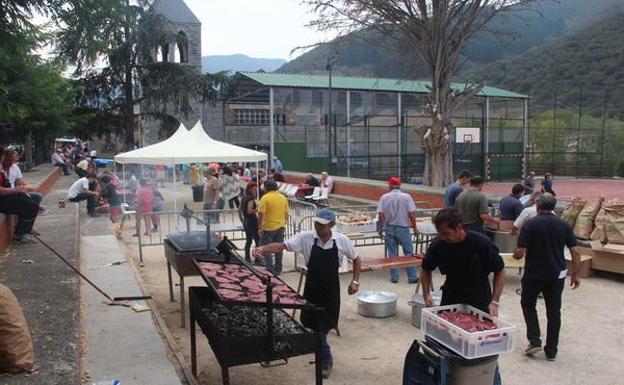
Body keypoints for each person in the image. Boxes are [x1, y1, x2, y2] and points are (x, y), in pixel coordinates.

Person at [252, 208, 361, 379]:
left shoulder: (341, 241)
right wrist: (263, 247)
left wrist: (355, 281)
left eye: (322, 225)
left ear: (332, 225)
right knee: (315, 325)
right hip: (313, 287)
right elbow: (282, 246)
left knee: (322, 326)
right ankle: (322, 353)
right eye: (316, 223)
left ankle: (325, 358)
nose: (317, 227)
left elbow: (356, 258)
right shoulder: (306, 238)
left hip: (331, 289)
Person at [512, 193, 580, 361]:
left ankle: (534, 339)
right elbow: (576, 250)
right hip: (557, 274)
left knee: (528, 304)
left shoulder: (531, 224)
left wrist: (515, 255)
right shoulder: (563, 225)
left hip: (534, 273)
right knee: (554, 311)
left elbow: (520, 253)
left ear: (537, 206)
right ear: (554, 207)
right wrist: (576, 274)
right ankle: (551, 350)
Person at [422, 208, 505, 316]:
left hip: (479, 299)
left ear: (458, 228)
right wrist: (426, 294)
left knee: (480, 330)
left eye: (446, 233)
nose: (442, 237)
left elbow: (500, 271)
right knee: (444, 330)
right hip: (451, 297)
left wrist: (495, 302)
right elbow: (426, 268)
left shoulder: (482, 244)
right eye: (440, 233)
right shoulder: (438, 245)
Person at [376, 176, 419, 283]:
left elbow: (381, 214)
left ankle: (394, 277)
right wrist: (415, 228)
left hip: (389, 227)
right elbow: (412, 214)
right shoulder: (407, 197)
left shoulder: (384, 197)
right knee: (409, 253)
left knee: (392, 253)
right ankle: (412, 277)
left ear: (390, 185)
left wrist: (381, 228)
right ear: (399, 186)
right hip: (403, 227)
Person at [0, 147, 40, 243]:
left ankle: (24, 230)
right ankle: (19, 235)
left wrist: (22, 188)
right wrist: (15, 189)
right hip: (3, 199)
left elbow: (18, 182)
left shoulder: (6, 168)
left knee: (32, 202)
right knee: (30, 206)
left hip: (7, 195)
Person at [3, 149, 48, 215]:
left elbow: (20, 182)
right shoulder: (1, 168)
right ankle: (35, 208)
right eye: (16, 156)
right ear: (8, 157)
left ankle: (33, 209)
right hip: (8, 193)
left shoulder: (15, 167)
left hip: (14, 192)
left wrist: (29, 187)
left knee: (37, 196)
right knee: (31, 198)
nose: (18, 157)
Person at [257, 180, 289, 275]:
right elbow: (286, 213)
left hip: (268, 227)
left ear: (266, 188)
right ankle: (278, 269)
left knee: (265, 248)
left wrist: (259, 227)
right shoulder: (283, 197)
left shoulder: (265, 198)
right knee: (279, 248)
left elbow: (261, 214)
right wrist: (284, 223)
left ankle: (269, 269)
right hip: (280, 226)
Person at [239, 182, 259, 262]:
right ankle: (257, 259)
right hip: (252, 221)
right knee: (257, 240)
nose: (256, 191)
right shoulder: (250, 199)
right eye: (254, 189)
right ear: (250, 189)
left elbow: (239, 210)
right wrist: (258, 209)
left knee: (248, 240)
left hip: (246, 221)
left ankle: (247, 258)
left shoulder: (244, 197)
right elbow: (249, 211)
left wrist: (242, 220)